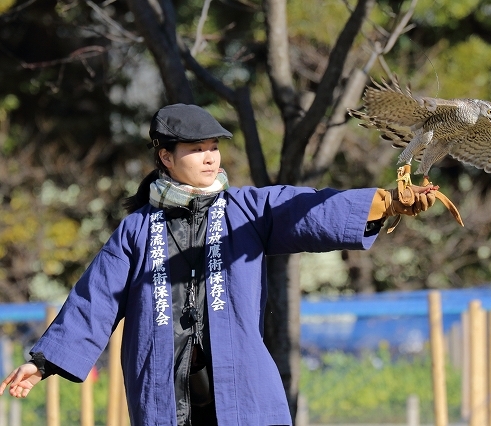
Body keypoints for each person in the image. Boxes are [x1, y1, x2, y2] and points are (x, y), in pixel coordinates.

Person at [0, 104, 436, 425]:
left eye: (213, 148)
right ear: (166, 157)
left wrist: (384, 203)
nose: (210, 157)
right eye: (196, 149)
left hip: (241, 387)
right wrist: (43, 363)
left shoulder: (248, 208)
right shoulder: (136, 229)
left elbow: (306, 209)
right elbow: (95, 300)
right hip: (163, 391)